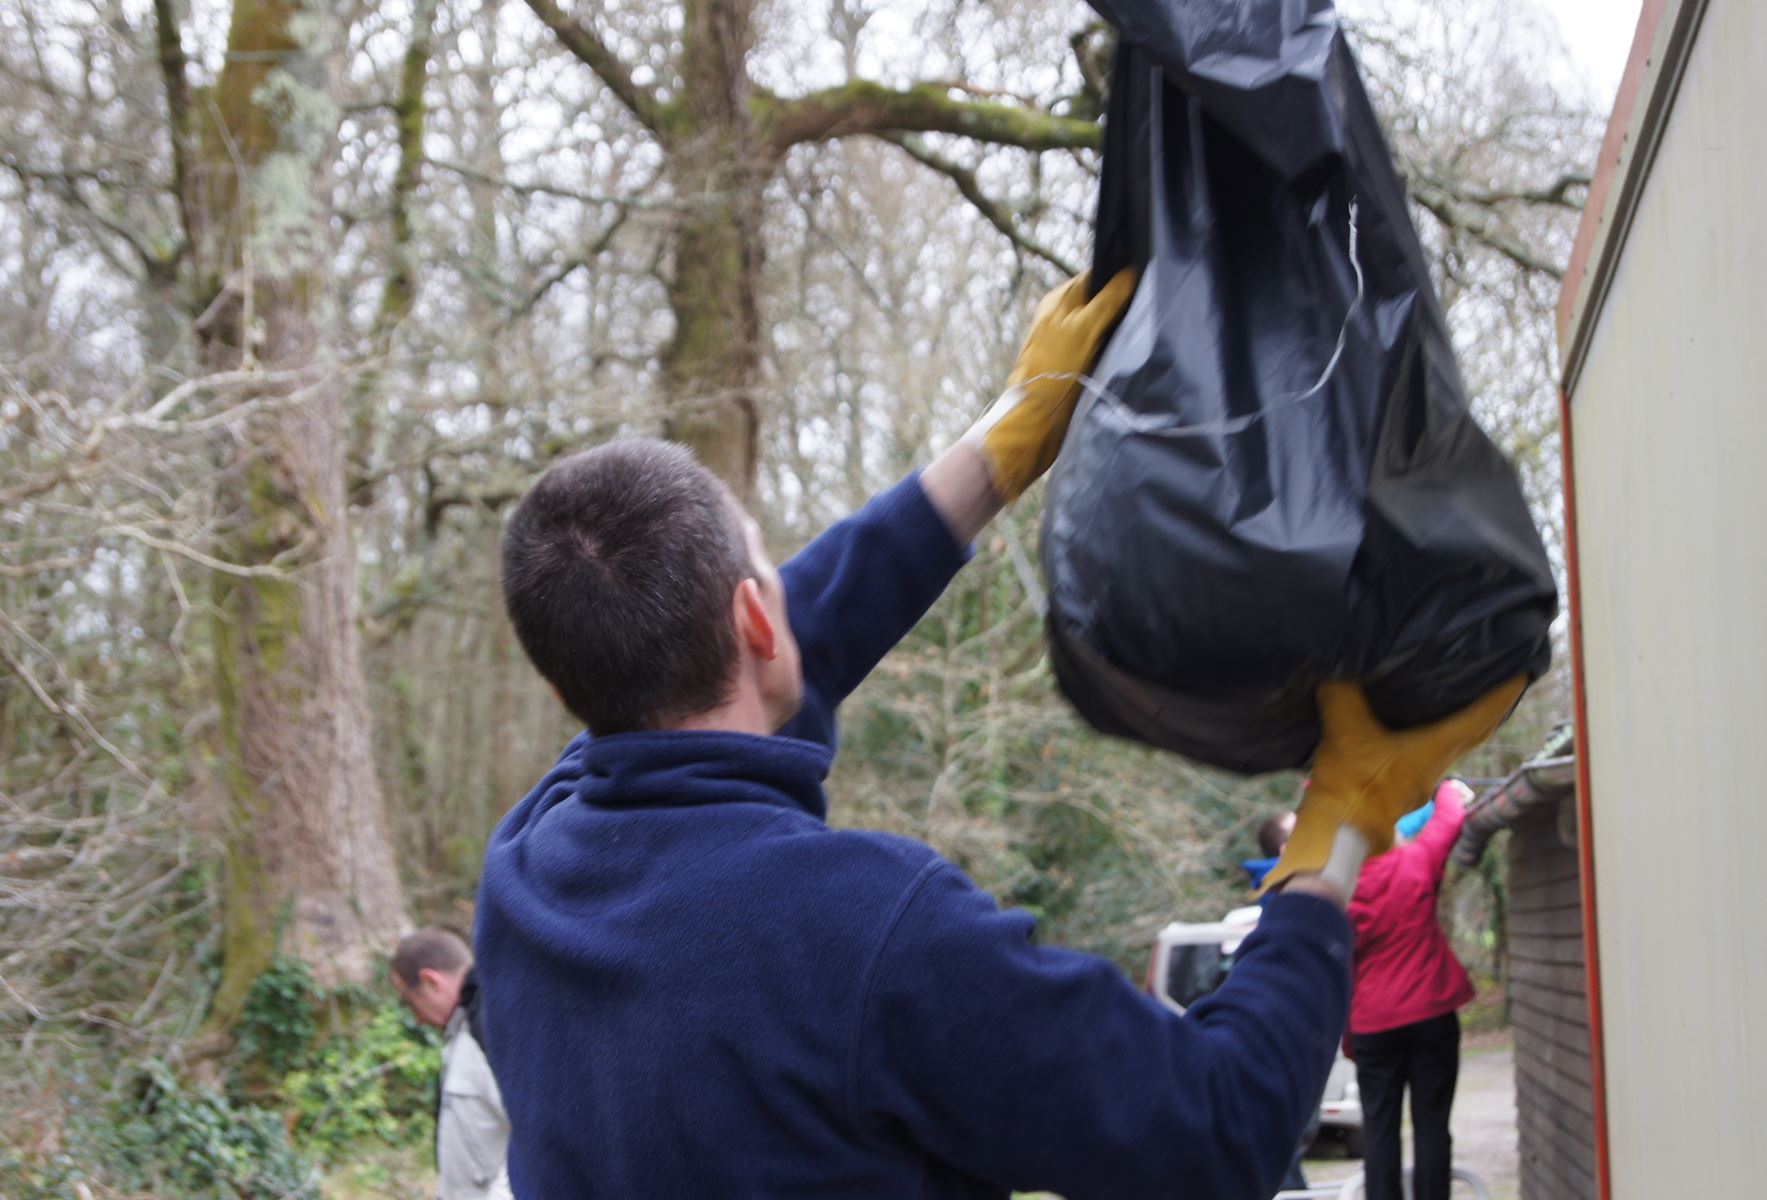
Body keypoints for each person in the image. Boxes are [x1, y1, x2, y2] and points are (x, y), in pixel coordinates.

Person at [473, 268, 1518, 1199]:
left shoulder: (528, 872)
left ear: (573, 693)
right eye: (768, 572)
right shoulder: (868, 935)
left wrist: (1006, 443)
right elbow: (1218, 1129)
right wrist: (1334, 831)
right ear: (754, 619)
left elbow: (771, 659)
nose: (795, 600)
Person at [1344, 780, 1478, 1200]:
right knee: (1432, 1123)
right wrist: (1444, 786)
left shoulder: (1341, 893)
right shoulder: (1415, 862)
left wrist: (1349, 1036)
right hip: (1430, 1012)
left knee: (1379, 1128)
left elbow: (1343, 970)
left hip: (1372, 1023)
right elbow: (1449, 819)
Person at [390, 929, 512, 1200]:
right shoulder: (463, 1029)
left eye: (410, 1003)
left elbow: (537, 1142)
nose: (417, 1019)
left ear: (430, 981)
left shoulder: (492, 1029)